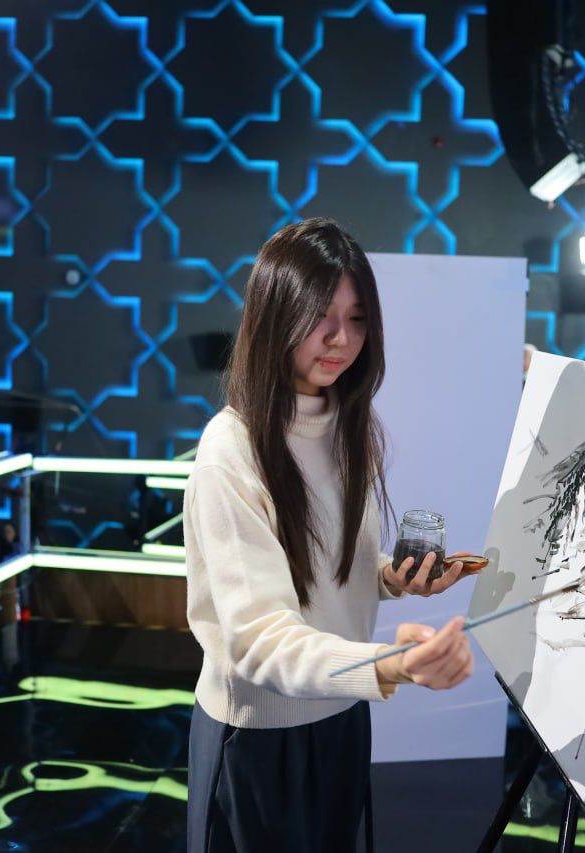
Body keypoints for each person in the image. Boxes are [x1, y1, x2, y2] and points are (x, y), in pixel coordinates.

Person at [185, 218, 477, 852]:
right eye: (321, 315)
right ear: (276, 314)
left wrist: (390, 578)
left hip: (342, 713)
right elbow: (258, 639)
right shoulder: (230, 449)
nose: (342, 339)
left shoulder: (348, 424)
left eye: (358, 318)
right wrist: (390, 664)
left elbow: (325, 567)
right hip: (257, 737)